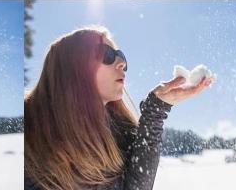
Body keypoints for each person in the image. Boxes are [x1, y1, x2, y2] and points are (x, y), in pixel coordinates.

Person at [24, 27, 213, 190]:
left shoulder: (116, 133)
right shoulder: (30, 138)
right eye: (106, 54)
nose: (122, 63)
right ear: (72, 67)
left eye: (121, 56)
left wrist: (155, 111)